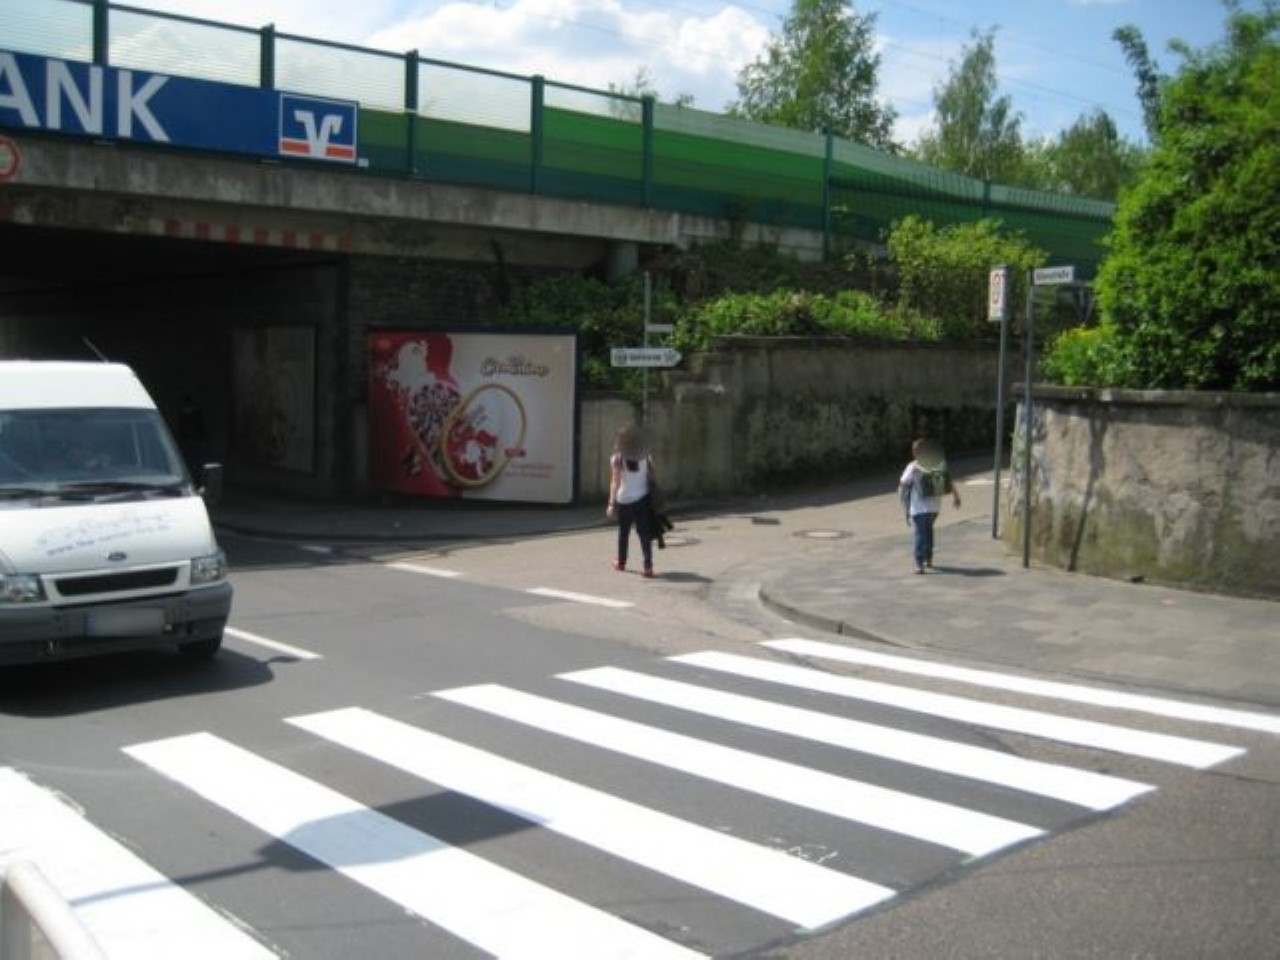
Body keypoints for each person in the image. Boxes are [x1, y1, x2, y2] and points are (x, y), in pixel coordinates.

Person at [898, 437, 961, 574]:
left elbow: (903, 483)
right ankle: (928, 558)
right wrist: (956, 496)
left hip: (918, 508)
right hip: (935, 508)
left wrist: (904, 500)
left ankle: (919, 563)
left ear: (915, 452)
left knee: (920, 534)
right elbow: (948, 481)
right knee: (928, 531)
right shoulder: (938, 463)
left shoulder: (913, 466)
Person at [606, 423, 658, 577]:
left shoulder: (617, 459)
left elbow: (615, 482)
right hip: (642, 499)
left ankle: (621, 563)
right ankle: (648, 566)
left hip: (624, 501)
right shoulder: (645, 456)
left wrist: (611, 503)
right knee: (644, 533)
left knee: (624, 533)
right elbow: (653, 474)